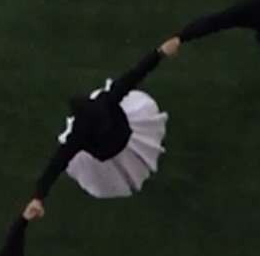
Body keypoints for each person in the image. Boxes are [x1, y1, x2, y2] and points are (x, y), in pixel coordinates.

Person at [29, 38, 177, 206]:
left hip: (111, 151)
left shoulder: (78, 134)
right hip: (123, 139)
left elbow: (56, 165)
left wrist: (38, 197)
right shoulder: (106, 101)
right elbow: (135, 74)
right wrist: (159, 53)